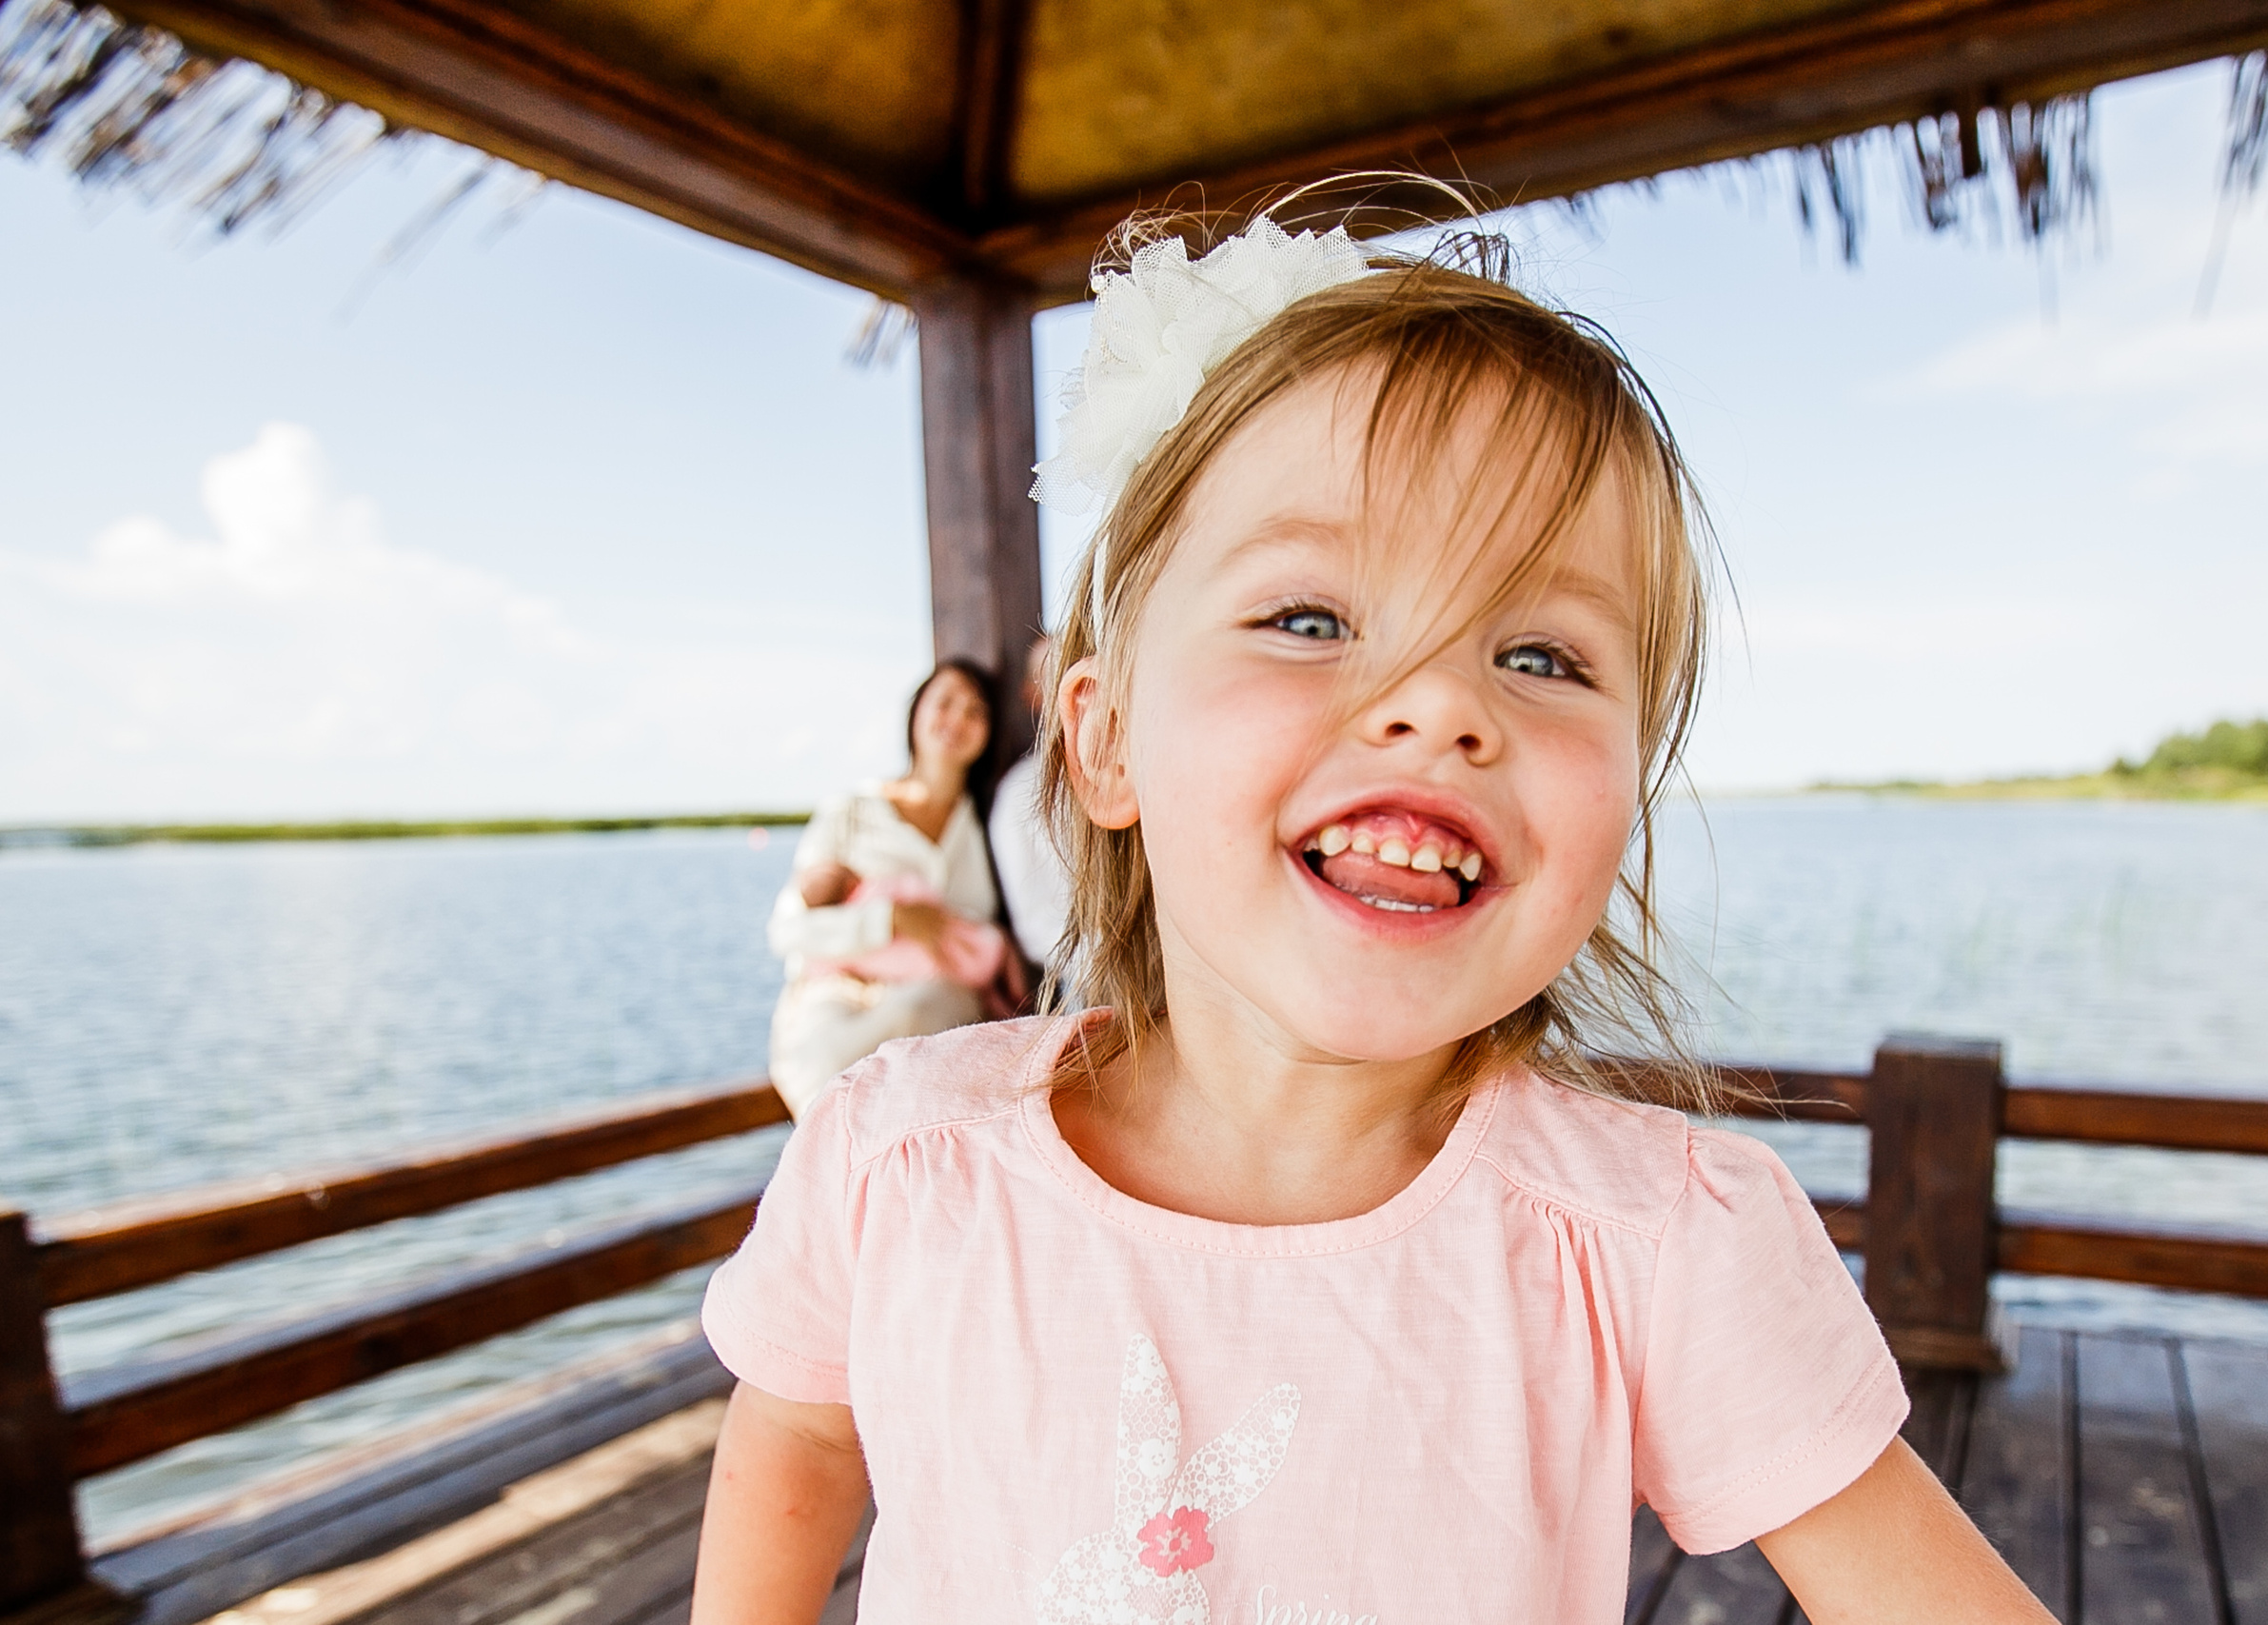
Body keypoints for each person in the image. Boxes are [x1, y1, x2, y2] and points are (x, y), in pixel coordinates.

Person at [696, 205, 2057, 1624]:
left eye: (1540, 651)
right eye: (1310, 619)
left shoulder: (1650, 1246)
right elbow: (800, 1426)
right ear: (1104, 741)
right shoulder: (901, 1160)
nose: (1441, 706)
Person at [762, 659, 1021, 1118]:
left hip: (935, 1004)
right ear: (916, 711)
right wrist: (892, 919)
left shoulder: (985, 829)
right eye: (945, 702)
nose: (958, 719)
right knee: (824, 1068)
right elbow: (787, 932)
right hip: (839, 993)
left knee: (929, 1021)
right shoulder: (852, 811)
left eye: (975, 711)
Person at [988, 634, 1071, 971]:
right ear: (1032, 696)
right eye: (1052, 671)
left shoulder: (1144, 769)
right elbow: (1034, 925)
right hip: (1088, 981)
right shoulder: (1021, 792)